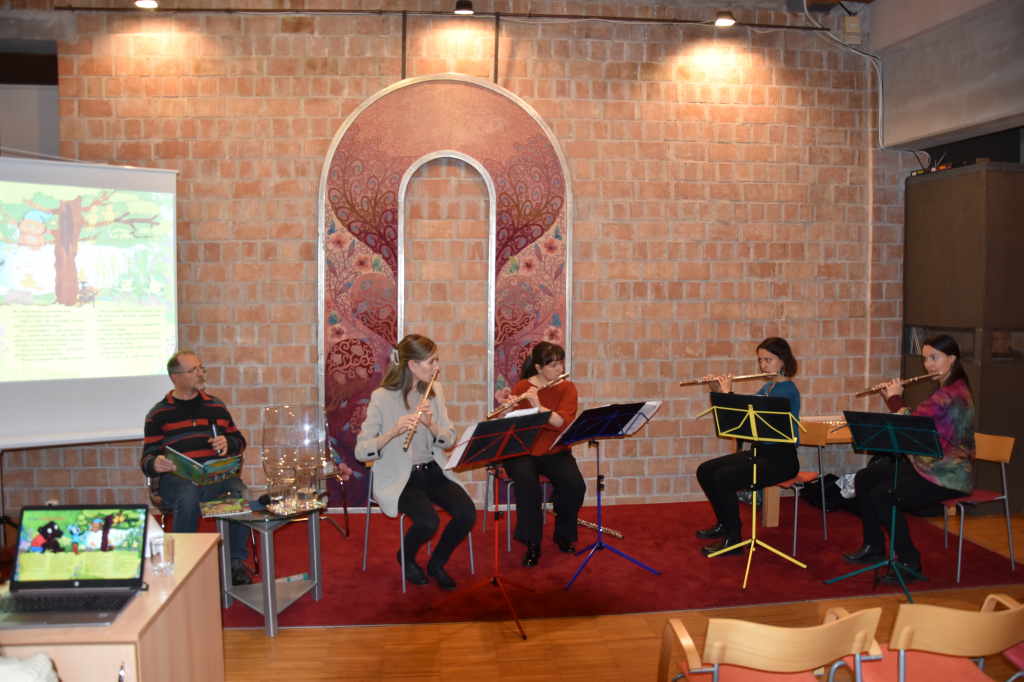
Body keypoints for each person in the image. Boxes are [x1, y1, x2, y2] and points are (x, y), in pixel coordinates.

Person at [842, 334, 975, 584]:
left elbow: (914, 423)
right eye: (925, 359)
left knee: (883, 495)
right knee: (865, 478)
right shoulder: (945, 390)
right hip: (930, 466)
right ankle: (874, 545)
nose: (929, 365)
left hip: (949, 475)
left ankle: (909, 560)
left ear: (952, 358)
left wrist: (894, 397)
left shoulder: (951, 395)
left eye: (934, 358)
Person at [355, 334, 476, 590]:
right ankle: (407, 558)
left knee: (467, 513)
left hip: (433, 471)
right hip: (401, 477)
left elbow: (449, 439)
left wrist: (431, 425)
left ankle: (437, 562)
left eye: (436, 361)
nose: (436, 367)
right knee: (428, 522)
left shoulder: (435, 391)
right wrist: (391, 433)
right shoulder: (381, 397)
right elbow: (361, 451)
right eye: (431, 362)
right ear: (412, 364)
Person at [140, 350, 252, 586]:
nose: (201, 373)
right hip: (177, 480)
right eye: (194, 370)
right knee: (188, 495)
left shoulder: (216, 406)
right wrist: (154, 463)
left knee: (239, 491)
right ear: (176, 378)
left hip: (214, 478)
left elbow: (239, 441)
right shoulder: (158, 414)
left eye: (201, 368)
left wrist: (228, 443)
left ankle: (235, 562)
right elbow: (147, 458)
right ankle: (183, 565)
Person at [694, 337, 801, 557]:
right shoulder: (768, 386)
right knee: (706, 470)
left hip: (781, 459)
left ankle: (733, 539)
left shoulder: (788, 391)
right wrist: (717, 391)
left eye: (768, 360)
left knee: (724, 478)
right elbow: (742, 418)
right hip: (761, 453)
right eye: (760, 360)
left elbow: (762, 426)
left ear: (783, 360)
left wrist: (728, 394)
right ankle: (725, 523)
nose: (763, 366)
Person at [499, 342, 585, 568]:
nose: (560, 369)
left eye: (560, 364)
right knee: (527, 483)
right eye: (553, 365)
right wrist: (505, 412)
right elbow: (507, 425)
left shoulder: (567, 388)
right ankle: (532, 542)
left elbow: (561, 422)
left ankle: (562, 532)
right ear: (538, 367)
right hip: (522, 449)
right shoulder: (523, 387)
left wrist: (538, 406)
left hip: (554, 448)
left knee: (575, 485)